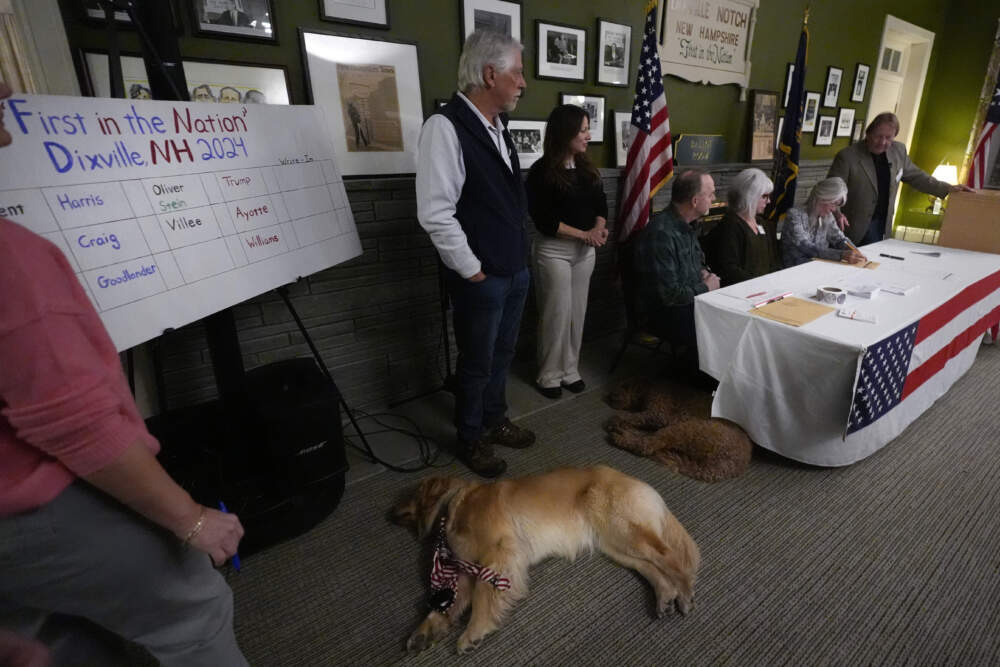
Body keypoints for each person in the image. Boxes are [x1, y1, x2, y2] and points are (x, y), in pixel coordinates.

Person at [0, 80, 248, 666]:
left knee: (49, 638)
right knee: (194, 611)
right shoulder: (11, 257)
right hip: (39, 508)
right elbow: (78, 424)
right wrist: (190, 522)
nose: (8, 91)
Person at [415, 30, 533, 478]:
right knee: (477, 360)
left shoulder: (498, 129)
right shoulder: (444, 127)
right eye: (517, 73)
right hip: (482, 276)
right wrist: (471, 271)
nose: (522, 83)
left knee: (502, 354)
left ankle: (493, 418)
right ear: (490, 74)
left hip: (513, 269)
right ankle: (471, 436)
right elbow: (436, 213)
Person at [525, 104, 608, 399]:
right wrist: (584, 234)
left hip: (585, 252)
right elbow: (545, 222)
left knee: (577, 312)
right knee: (556, 313)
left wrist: (598, 229)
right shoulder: (540, 173)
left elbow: (601, 206)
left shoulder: (587, 170)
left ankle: (570, 370)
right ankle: (549, 374)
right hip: (554, 252)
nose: (588, 135)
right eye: (583, 130)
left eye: (587, 129)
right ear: (566, 132)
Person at [828, 111, 973, 245]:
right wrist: (837, 213)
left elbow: (917, 177)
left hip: (883, 223)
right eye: (878, 136)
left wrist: (948, 188)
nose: (883, 142)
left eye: (888, 138)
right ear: (868, 133)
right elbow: (831, 190)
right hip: (853, 225)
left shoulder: (898, 151)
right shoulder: (847, 157)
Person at [633, 169, 720, 357]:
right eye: (711, 193)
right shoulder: (661, 234)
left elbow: (698, 262)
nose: (714, 198)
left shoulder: (688, 225)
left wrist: (704, 272)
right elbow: (669, 297)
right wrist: (706, 287)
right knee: (726, 322)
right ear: (695, 201)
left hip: (689, 303)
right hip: (665, 315)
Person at [703, 168, 780, 287]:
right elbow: (729, 270)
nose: (769, 201)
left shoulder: (761, 222)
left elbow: (773, 259)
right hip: (742, 292)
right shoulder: (730, 226)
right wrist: (759, 284)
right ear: (750, 196)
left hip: (765, 289)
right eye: (764, 196)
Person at [780, 176, 867, 267]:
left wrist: (854, 251)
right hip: (794, 271)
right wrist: (842, 255)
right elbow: (806, 247)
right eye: (833, 203)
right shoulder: (794, 215)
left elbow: (840, 239)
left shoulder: (828, 216)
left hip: (820, 267)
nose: (834, 209)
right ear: (822, 197)